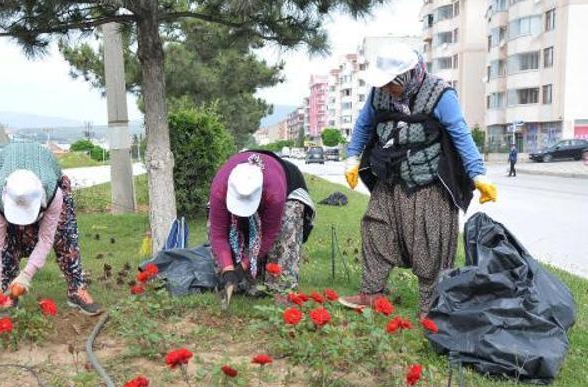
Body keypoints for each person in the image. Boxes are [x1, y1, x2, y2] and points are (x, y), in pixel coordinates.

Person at [339, 44, 497, 320]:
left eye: (391, 83)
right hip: (391, 179)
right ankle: (372, 293)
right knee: (375, 227)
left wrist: (478, 175)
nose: (387, 88)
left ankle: (430, 309)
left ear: (408, 75)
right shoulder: (379, 94)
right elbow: (364, 125)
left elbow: (460, 134)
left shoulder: (440, 94)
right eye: (384, 83)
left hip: (430, 183)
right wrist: (352, 158)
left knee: (430, 241)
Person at [0, 142, 102, 316]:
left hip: (50, 183)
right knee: (7, 241)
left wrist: (26, 276)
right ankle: (5, 291)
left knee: (65, 235)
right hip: (5, 179)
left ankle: (76, 289)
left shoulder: (53, 193)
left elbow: (47, 239)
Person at [208, 151, 315, 308]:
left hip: (286, 184)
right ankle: (231, 283)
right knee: (214, 221)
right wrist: (228, 268)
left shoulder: (274, 192)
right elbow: (217, 233)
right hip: (241, 187)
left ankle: (279, 286)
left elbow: (268, 234)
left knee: (287, 219)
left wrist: (243, 266)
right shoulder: (219, 187)